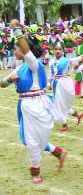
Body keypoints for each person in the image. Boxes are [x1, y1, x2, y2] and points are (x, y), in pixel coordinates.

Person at [1, 19, 67, 184]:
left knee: (40, 137)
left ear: (24, 50)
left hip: (39, 103)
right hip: (27, 105)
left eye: (16, 47)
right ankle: (36, 171)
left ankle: (57, 152)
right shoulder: (19, 67)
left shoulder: (33, 64)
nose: (14, 49)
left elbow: (27, 52)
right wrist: (10, 81)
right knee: (30, 140)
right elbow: (2, 83)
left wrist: (17, 30)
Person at [48, 41, 83, 132]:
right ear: (53, 50)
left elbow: (77, 58)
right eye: (56, 49)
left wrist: (82, 58)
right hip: (56, 83)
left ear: (63, 51)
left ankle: (72, 117)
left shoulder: (67, 60)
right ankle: (67, 121)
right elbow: (50, 73)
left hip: (66, 83)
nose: (58, 51)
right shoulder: (51, 61)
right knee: (59, 104)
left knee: (63, 103)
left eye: (60, 49)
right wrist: (49, 83)